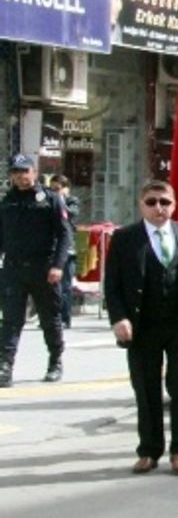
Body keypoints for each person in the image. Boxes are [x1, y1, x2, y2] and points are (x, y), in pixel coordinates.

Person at [103, 180, 178, 476]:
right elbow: (112, 286)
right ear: (141, 205)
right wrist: (118, 318)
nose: (158, 208)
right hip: (142, 325)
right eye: (151, 202)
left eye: (164, 202)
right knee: (146, 387)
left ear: (174, 204)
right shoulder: (125, 238)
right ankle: (149, 450)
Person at [0, 154, 72, 387]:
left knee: (49, 318)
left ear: (34, 171)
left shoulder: (50, 199)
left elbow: (64, 234)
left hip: (44, 268)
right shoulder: (7, 201)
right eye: (16, 172)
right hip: (14, 269)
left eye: (25, 171)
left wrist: (58, 265)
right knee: (11, 320)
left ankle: (55, 361)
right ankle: (5, 366)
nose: (21, 176)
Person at [48, 174, 79, 328]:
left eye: (57, 189)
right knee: (50, 286)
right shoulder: (48, 201)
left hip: (68, 250)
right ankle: (51, 317)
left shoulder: (71, 201)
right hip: (51, 248)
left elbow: (70, 214)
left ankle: (64, 317)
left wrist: (60, 200)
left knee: (65, 286)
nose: (54, 192)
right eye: (51, 189)